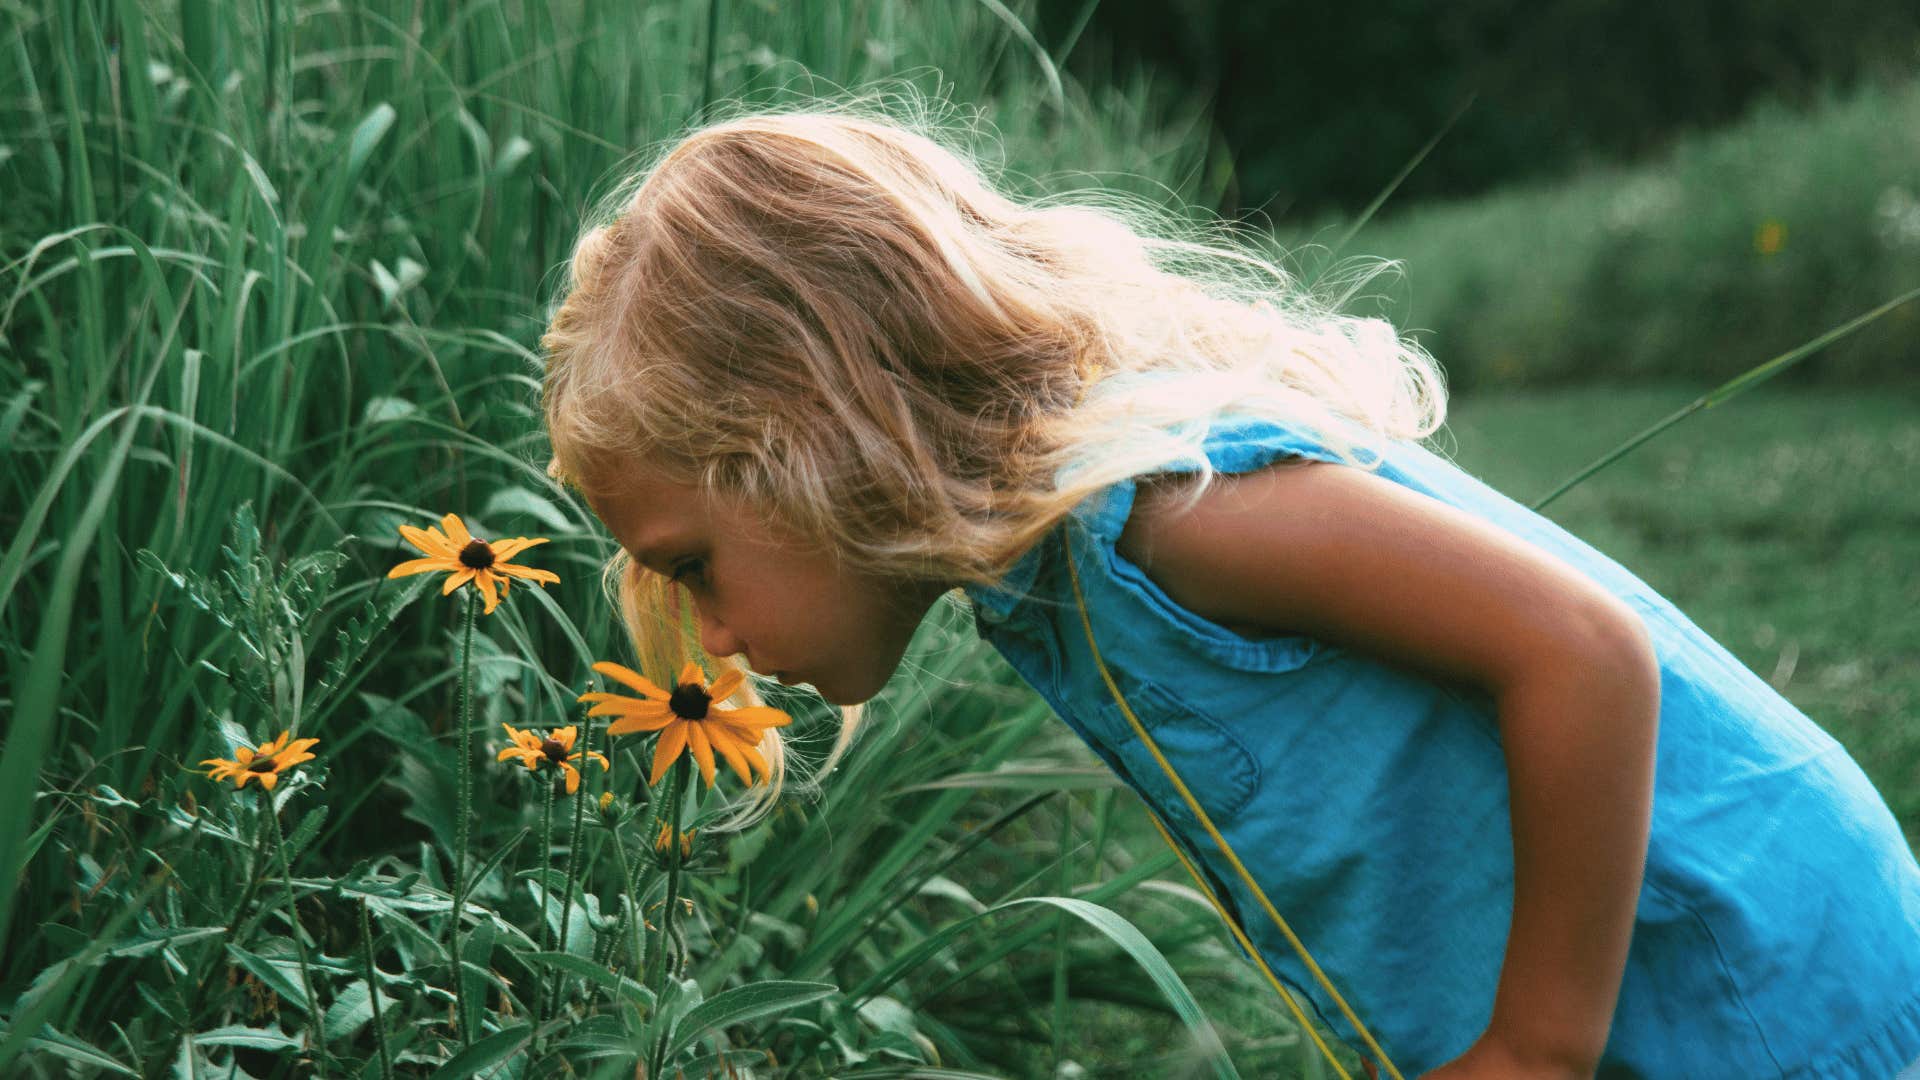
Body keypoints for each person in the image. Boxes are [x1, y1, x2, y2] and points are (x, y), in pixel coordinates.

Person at [537, 97, 1920, 1078]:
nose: (709, 637)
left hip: (1761, 983)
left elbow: (1581, 649)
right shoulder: (1041, 579)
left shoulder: (1168, 520)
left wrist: (1533, 1047)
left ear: (812, 451)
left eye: (695, 567)